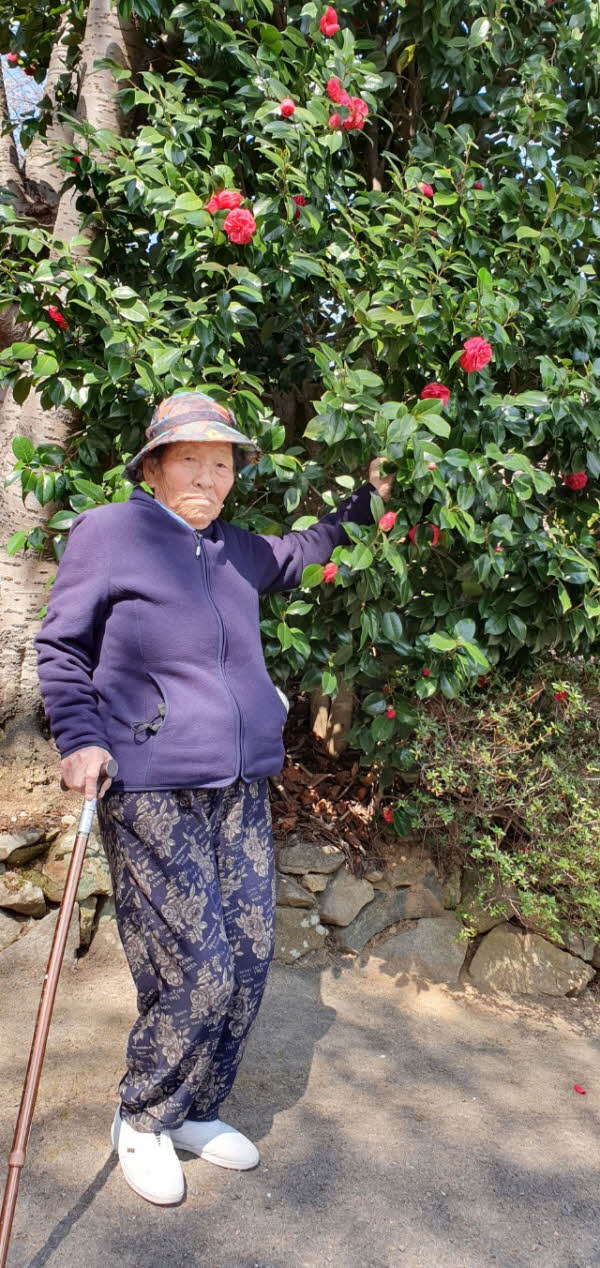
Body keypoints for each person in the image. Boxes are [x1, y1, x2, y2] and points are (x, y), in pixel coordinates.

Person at [34, 389, 394, 1207]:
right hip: (150, 781)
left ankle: (197, 1107)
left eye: (222, 463)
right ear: (153, 467)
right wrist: (79, 737)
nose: (207, 476)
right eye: (190, 459)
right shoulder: (110, 533)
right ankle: (143, 1114)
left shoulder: (235, 550)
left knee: (250, 953)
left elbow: (305, 550)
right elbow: (61, 646)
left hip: (238, 783)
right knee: (195, 968)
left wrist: (369, 500)